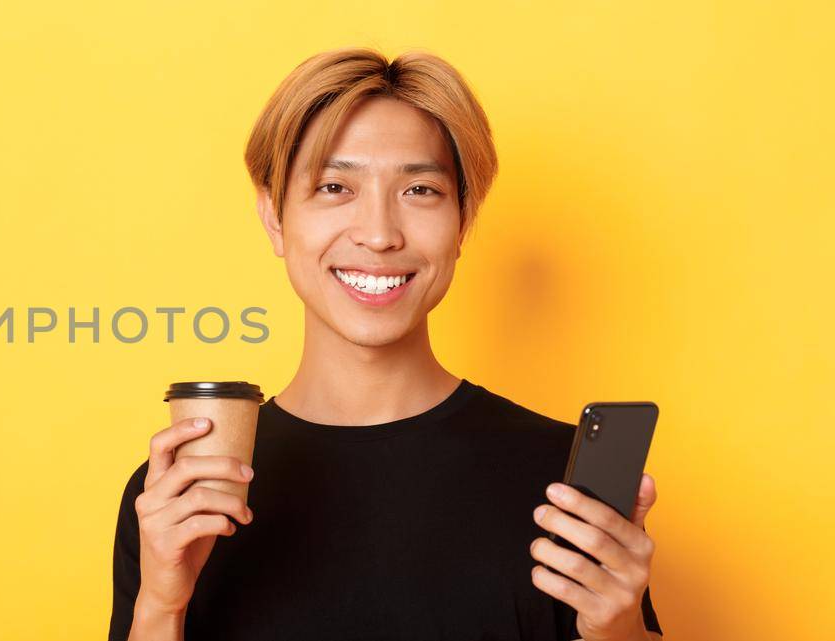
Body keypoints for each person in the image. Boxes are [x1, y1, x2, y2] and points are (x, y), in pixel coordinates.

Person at [108, 47, 665, 641]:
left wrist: (620, 629)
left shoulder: (562, 482)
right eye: (333, 186)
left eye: (420, 190)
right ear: (274, 218)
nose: (378, 234)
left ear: (464, 221)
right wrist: (160, 606)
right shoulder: (182, 495)